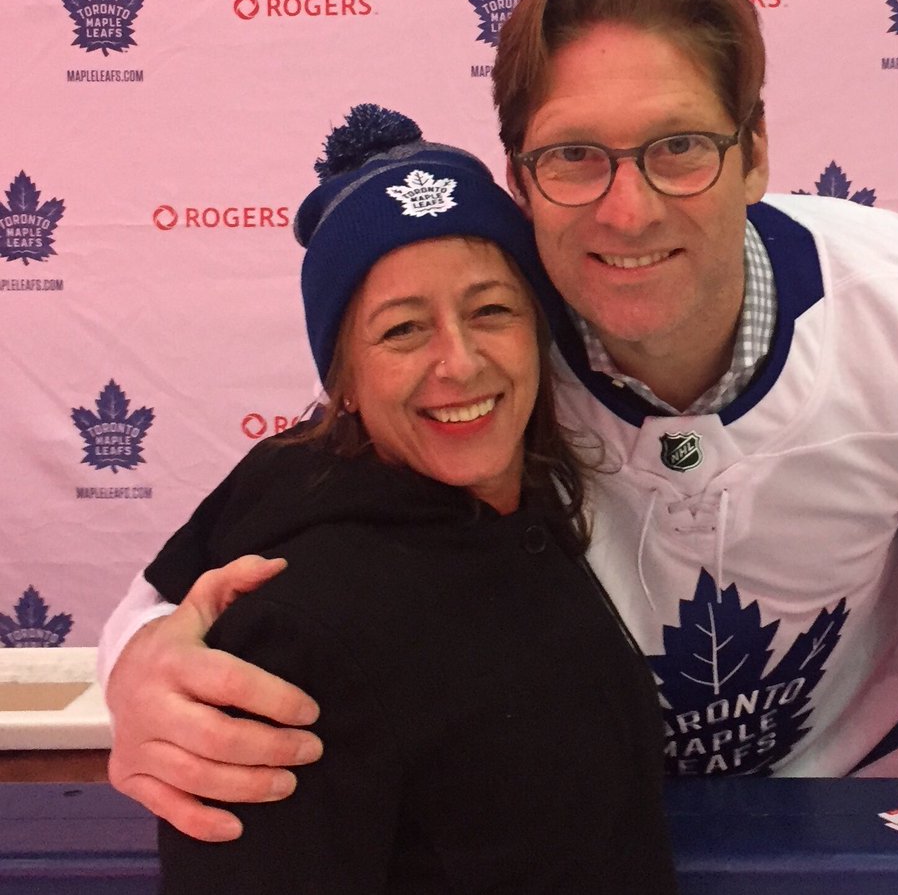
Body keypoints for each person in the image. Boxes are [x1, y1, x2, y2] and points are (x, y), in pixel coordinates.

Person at [99, 0, 898, 843]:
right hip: (590, 821)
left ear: (754, 152)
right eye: (576, 157)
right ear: (521, 176)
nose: (627, 210)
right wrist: (142, 668)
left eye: (678, 146)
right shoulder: (480, 345)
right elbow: (196, 576)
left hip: (858, 812)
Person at [147, 105, 678, 892]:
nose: (459, 363)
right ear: (345, 384)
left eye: (490, 311)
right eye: (402, 330)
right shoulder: (294, 630)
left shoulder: (528, 513)